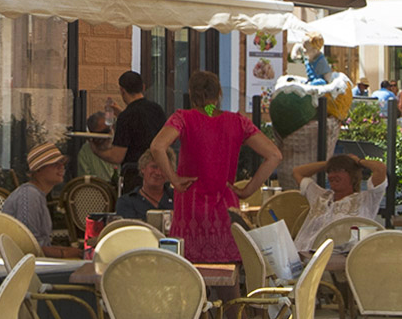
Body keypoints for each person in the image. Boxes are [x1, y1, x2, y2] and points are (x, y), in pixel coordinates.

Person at [148, 70, 282, 263]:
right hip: (225, 211)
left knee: (188, 270)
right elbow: (274, 155)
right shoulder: (238, 122)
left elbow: (157, 146)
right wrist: (247, 190)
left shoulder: (183, 118)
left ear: (191, 93)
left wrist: (174, 179)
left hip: (189, 210)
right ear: (219, 93)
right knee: (228, 272)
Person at [288, 154, 388, 252]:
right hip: (299, 254)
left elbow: (380, 169)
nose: (332, 175)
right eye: (330, 172)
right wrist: (331, 163)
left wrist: (358, 162)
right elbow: (297, 172)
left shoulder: (366, 200)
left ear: (353, 175)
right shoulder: (320, 195)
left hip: (335, 258)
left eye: (340, 170)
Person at [98, 71, 166, 177]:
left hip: (135, 174)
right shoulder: (157, 109)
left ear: (122, 90)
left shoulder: (126, 116)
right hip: (159, 172)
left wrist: (96, 150)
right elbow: (143, 125)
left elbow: (117, 156)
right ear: (143, 87)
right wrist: (121, 114)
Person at [0, 144, 64, 249]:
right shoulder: (30, 195)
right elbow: (28, 245)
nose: (61, 166)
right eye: (55, 163)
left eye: (62, 163)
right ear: (38, 169)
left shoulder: (36, 194)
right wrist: (65, 253)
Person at [112, 150, 170, 222]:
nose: (158, 172)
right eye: (154, 167)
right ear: (143, 168)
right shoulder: (126, 202)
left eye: (163, 168)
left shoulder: (178, 198)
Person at [73, 113, 114, 183]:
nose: (109, 135)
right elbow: (86, 181)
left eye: (110, 129)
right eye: (105, 132)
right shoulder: (85, 152)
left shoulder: (120, 146)